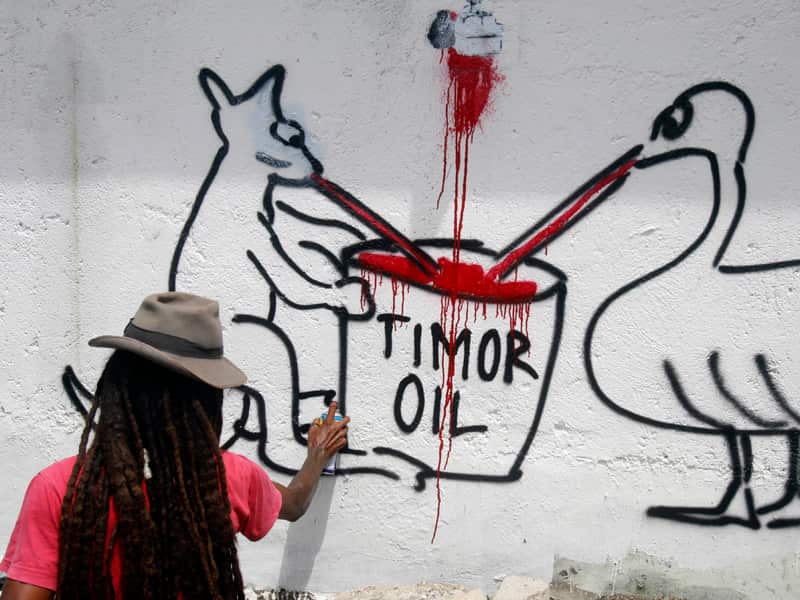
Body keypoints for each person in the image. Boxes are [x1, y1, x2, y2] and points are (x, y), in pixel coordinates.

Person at [0, 292, 349, 600]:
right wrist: (316, 456)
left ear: (115, 387)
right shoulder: (228, 477)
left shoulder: (60, 489)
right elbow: (294, 503)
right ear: (205, 404)